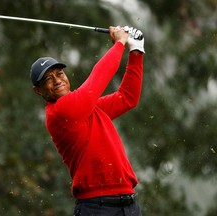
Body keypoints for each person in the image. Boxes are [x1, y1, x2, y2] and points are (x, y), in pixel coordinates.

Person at [30, 25, 145, 216]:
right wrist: (120, 43)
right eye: (47, 79)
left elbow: (127, 98)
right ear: (38, 90)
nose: (57, 80)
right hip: (96, 208)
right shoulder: (60, 112)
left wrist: (136, 51)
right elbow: (97, 78)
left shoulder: (89, 107)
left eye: (59, 73)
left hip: (129, 205)